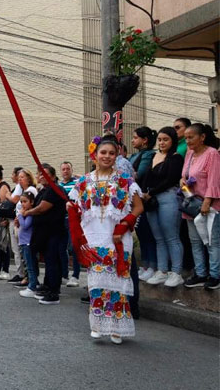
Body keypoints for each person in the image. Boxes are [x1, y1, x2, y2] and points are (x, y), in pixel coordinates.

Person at [69, 136, 143, 344]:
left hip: (118, 240)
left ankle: (117, 328)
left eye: (111, 153)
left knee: (117, 286)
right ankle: (98, 325)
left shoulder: (125, 181)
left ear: (117, 155)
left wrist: (125, 224)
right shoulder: (83, 182)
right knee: (97, 285)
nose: (107, 156)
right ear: (95, 155)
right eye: (103, 153)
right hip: (94, 241)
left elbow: (138, 207)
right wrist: (71, 210)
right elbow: (77, 208)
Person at [141, 127, 184, 287]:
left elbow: (170, 179)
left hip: (168, 197)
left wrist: (150, 193)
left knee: (171, 236)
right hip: (152, 200)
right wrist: (145, 193)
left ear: (172, 140)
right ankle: (162, 270)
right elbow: (146, 176)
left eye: (165, 139)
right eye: (159, 139)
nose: (162, 142)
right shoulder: (154, 155)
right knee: (158, 238)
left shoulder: (176, 157)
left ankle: (177, 272)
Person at [180, 123, 220, 290]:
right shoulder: (189, 154)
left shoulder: (212, 154)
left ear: (202, 137)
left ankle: (215, 275)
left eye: (191, 137)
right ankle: (200, 273)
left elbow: (214, 179)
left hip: (208, 206)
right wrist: (182, 182)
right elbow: (184, 175)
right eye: (186, 138)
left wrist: (207, 202)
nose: (188, 141)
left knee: (212, 242)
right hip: (191, 204)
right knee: (195, 241)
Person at [23, 164, 67, 305]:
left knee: (53, 261)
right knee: (49, 261)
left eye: (45, 174)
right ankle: (48, 286)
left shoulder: (54, 189)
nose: (41, 176)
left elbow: (42, 208)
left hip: (54, 231)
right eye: (39, 174)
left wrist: (27, 212)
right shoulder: (44, 190)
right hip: (46, 232)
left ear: (53, 176)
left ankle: (53, 292)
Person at [129, 126, 158, 280]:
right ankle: (145, 265)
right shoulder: (136, 155)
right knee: (141, 233)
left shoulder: (148, 155)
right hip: (135, 198)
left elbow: (138, 174)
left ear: (144, 140)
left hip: (143, 198)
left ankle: (152, 265)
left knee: (148, 234)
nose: (133, 140)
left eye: (135, 137)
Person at [60, 161, 80, 287]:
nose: (66, 171)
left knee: (74, 248)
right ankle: (64, 274)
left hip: (73, 219)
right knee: (63, 248)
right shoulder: (58, 185)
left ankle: (76, 275)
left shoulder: (77, 183)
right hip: (61, 219)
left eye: (68, 169)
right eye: (63, 169)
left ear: (71, 170)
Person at [16, 192, 40, 298]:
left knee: (30, 266)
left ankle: (32, 286)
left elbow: (25, 226)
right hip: (24, 242)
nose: (22, 204)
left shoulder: (29, 214)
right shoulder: (26, 213)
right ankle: (34, 283)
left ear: (32, 202)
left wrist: (20, 215)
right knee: (28, 264)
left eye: (25, 201)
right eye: (21, 202)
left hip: (28, 243)